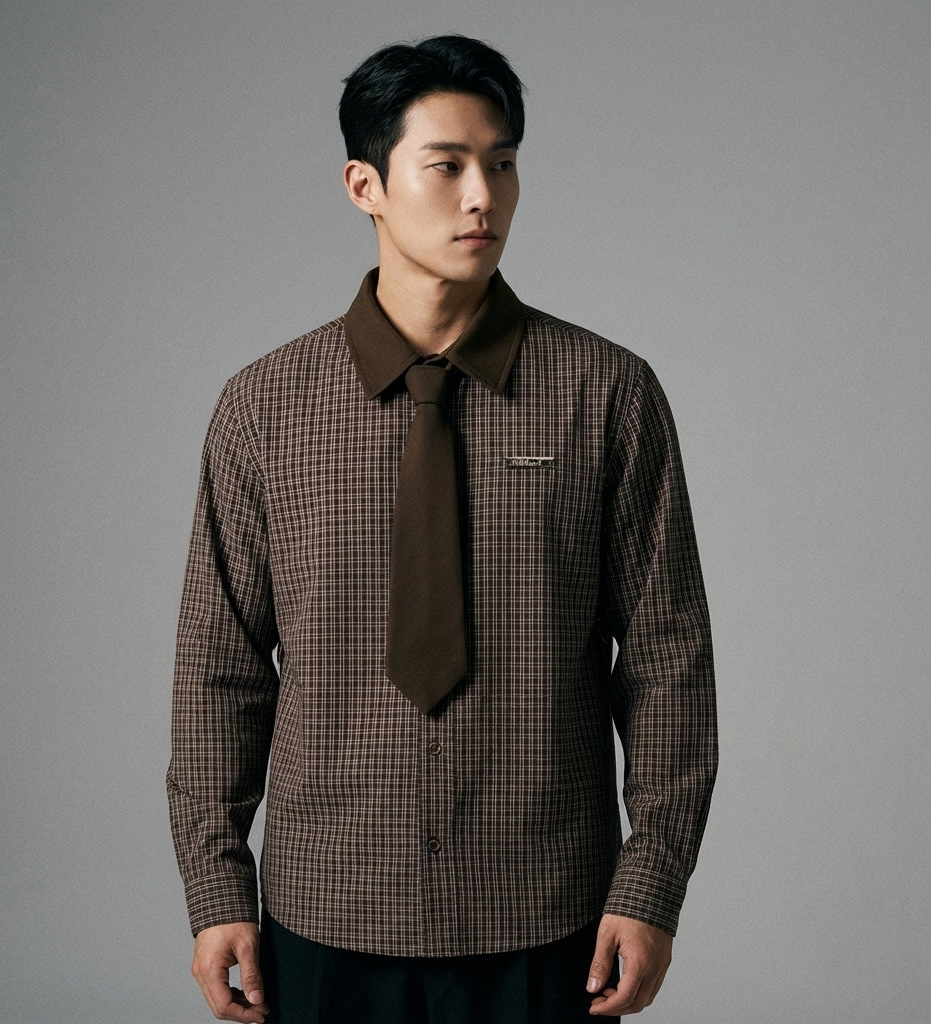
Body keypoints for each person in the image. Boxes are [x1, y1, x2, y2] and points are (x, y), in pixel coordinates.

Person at [167, 34, 717, 1023]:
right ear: (365, 186)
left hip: (549, 917)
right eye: (448, 165)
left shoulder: (606, 394)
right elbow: (222, 666)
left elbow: (667, 656)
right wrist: (216, 888)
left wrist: (651, 885)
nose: (483, 197)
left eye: (502, 165)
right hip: (324, 914)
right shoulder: (264, 408)